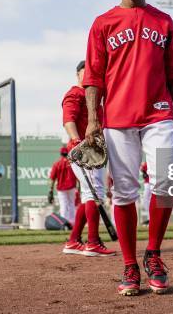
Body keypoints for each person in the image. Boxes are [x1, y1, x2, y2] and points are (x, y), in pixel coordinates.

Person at [83, 0, 173, 295]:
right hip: (117, 118)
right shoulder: (103, 23)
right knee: (127, 192)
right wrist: (91, 122)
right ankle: (130, 265)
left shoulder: (163, 22)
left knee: (165, 182)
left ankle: (154, 255)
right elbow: (93, 78)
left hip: (159, 114)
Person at [61, 60, 116, 257]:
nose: (90, 76)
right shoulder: (76, 93)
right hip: (84, 151)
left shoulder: (90, 96)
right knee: (94, 194)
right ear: (78, 74)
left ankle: (74, 241)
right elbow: (68, 119)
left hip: (92, 151)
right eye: (86, 72)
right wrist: (76, 140)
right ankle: (93, 242)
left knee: (89, 195)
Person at [48, 146, 78, 224]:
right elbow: (78, 176)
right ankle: (72, 222)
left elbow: (52, 179)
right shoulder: (72, 164)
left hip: (61, 188)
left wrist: (50, 190)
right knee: (71, 204)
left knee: (63, 204)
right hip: (72, 187)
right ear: (68, 153)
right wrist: (79, 188)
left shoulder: (57, 164)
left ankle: (64, 223)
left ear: (61, 154)